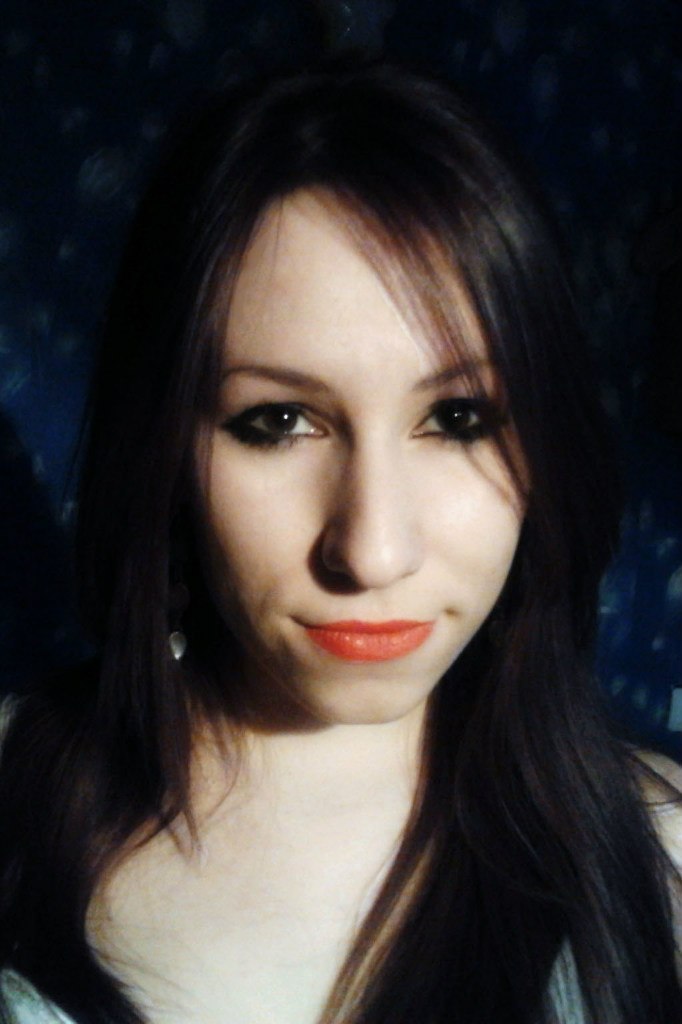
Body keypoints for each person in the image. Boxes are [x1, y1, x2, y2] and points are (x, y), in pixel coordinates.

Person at [0, 59, 680, 1024]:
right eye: (278, 422)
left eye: (458, 418)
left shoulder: (664, 858)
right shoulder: (14, 792)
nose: (372, 552)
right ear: (164, 452)